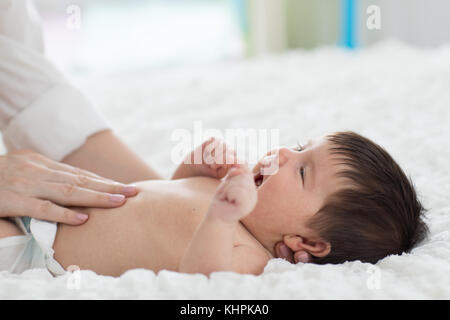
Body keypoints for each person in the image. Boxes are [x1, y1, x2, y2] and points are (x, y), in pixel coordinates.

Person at [25, 132, 425, 277]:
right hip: (51, 201)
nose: (284, 152)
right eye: (301, 146)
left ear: (309, 243)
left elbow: (201, 282)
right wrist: (194, 167)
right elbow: (166, 199)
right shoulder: (229, 195)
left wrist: (221, 216)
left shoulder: (248, 256)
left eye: (303, 171)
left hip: (38, 247)